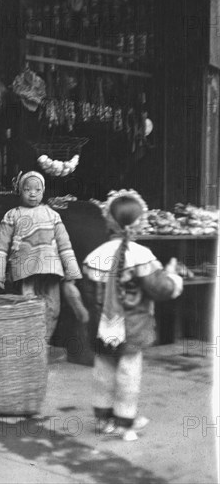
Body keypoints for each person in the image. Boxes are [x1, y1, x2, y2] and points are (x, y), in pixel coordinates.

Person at [82, 189, 184, 441]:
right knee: (128, 372)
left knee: (103, 369)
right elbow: (160, 289)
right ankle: (125, 421)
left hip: (101, 326)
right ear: (137, 223)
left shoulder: (94, 256)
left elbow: (87, 293)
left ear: (109, 222)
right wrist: (172, 276)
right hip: (132, 327)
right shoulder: (141, 256)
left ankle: (103, 419)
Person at [0, 171, 85, 339]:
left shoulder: (52, 215)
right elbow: (1, 246)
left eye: (37, 190)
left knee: (52, 307)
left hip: (51, 270)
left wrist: (72, 270)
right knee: (28, 307)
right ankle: (29, 344)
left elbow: (64, 244)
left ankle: (44, 342)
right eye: (27, 189)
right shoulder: (12, 215)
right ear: (20, 191)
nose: (32, 193)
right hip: (25, 270)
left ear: (43, 191)